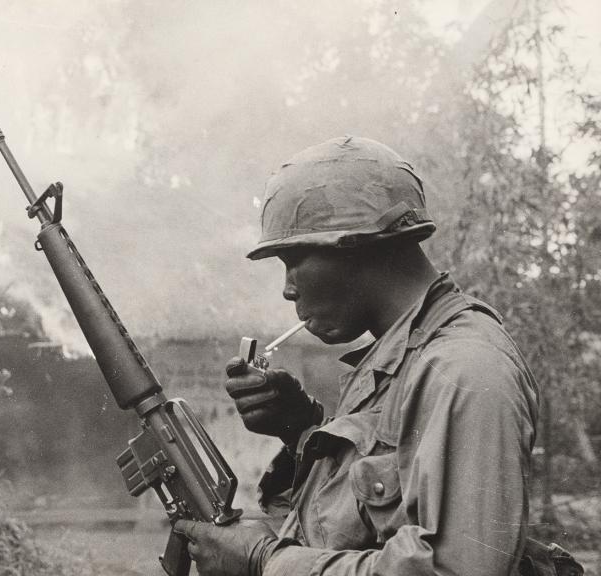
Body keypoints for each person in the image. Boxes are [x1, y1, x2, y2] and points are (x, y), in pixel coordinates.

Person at [173, 136, 547, 576]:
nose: (288, 289)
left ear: (356, 246)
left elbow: (457, 570)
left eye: (294, 260)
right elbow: (363, 519)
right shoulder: (401, 359)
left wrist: (265, 561)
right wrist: (300, 427)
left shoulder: (463, 369)